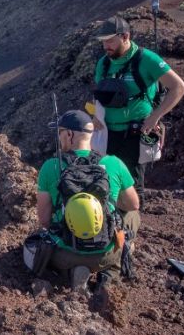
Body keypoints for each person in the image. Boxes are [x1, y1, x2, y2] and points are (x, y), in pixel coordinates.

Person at [31, 110, 140, 290]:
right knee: (132, 214)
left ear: (69, 134)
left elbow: (44, 219)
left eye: (60, 133)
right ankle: (109, 274)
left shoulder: (50, 167)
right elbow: (133, 204)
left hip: (64, 254)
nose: (59, 138)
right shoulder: (114, 163)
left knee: (51, 239)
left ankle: (71, 273)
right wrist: (109, 204)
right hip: (106, 252)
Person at [92, 16, 184, 196]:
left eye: (110, 41)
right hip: (107, 134)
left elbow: (179, 87)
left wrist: (154, 117)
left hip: (135, 133)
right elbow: (100, 93)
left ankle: (130, 223)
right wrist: (96, 115)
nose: (106, 46)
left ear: (125, 36)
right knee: (106, 182)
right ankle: (113, 221)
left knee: (131, 185)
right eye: (103, 42)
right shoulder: (103, 63)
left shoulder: (146, 59)